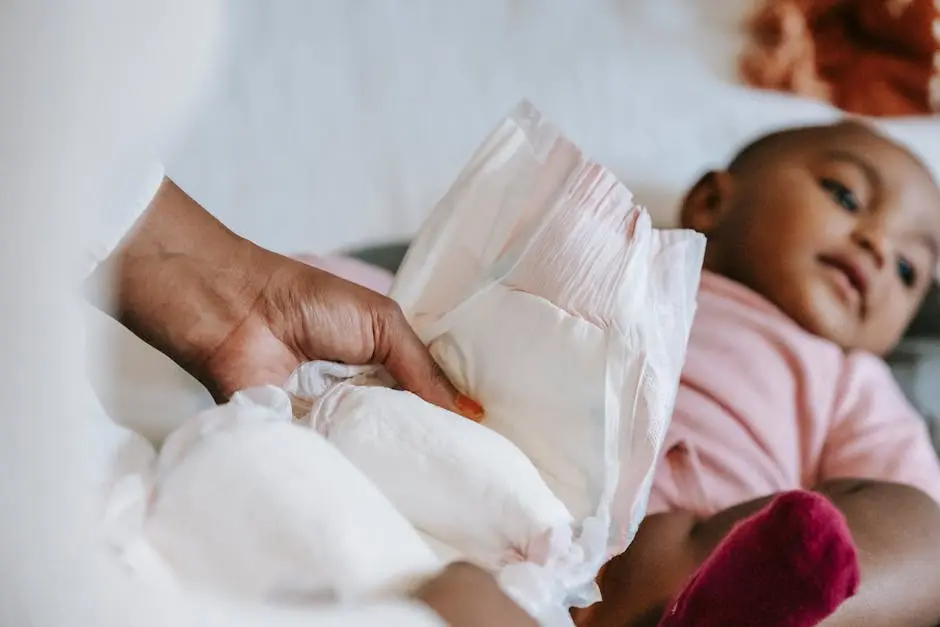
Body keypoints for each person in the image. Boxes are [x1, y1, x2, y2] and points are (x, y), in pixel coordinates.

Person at [570, 120, 940, 627]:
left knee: (922, 528)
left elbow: (903, 521)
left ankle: (733, 612)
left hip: (700, 569)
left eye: (906, 268)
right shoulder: (634, 265)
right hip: (533, 529)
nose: (878, 245)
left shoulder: (850, 378)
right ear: (711, 204)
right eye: (846, 196)